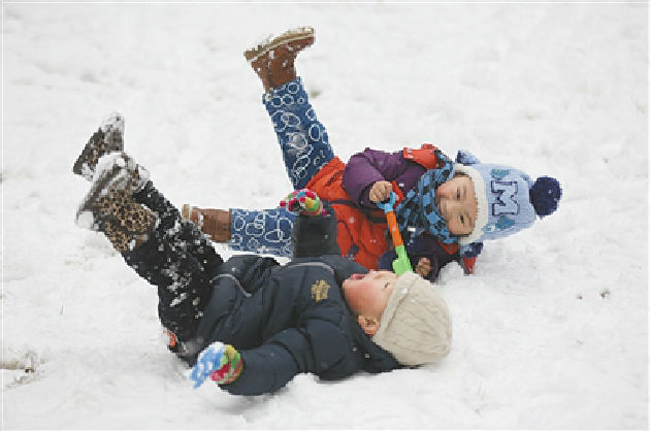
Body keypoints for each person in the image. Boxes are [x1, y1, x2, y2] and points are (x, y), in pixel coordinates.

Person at [72, 135, 452, 396]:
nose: (380, 273)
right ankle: (112, 170)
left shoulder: (329, 338)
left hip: (204, 324)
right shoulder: (344, 276)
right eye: (389, 276)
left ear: (370, 324)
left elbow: (281, 361)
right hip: (227, 282)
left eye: (385, 287)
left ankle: (112, 212)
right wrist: (316, 216)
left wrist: (238, 369)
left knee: (172, 262)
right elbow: (314, 255)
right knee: (182, 233)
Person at [180, 26, 563, 281]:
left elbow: (405, 270)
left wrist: (421, 265)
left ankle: (200, 223)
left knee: (271, 230)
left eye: (462, 218)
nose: (449, 207)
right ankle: (276, 70)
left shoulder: (441, 243)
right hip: (329, 179)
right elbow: (364, 161)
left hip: (331, 240)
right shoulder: (422, 165)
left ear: (468, 234)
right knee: (303, 135)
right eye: (459, 194)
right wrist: (372, 186)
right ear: (461, 175)